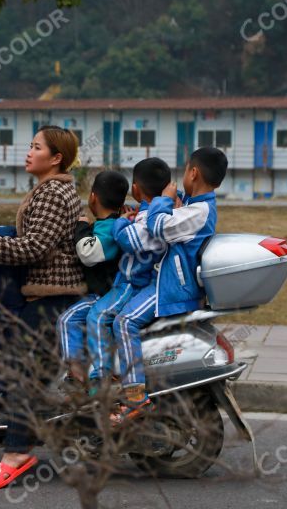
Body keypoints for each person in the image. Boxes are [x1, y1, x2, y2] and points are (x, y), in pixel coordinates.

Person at [0, 125, 85, 489]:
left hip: (52, 296)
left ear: (55, 157)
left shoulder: (53, 194)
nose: (28, 152)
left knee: (21, 370)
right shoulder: (51, 189)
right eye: (30, 145)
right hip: (42, 293)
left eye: (36, 147)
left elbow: (35, 248)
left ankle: (16, 453)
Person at [110, 147, 228, 424]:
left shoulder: (199, 211)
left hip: (173, 288)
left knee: (124, 322)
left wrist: (162, 200)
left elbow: (159, 226)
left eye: (186, 169)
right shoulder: (193, 205)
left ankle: (135, 396)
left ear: (193, 173)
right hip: (169, 282)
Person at [83, 158, 169, 403]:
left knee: (100, 317)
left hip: (133, 282)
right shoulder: (160, 211)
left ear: (136, 189)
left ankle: (105, 382)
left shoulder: (147, 217)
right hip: (136, 281)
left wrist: (121, 221)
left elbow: (126, 239)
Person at [56, 170, 129, 387]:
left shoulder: (109, 227)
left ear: (93, 197)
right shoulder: (109, 224)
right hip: (102, 291)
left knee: (68, 319)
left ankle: (81, 372)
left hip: (105, 293)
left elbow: (89, 254)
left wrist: (81, 228)